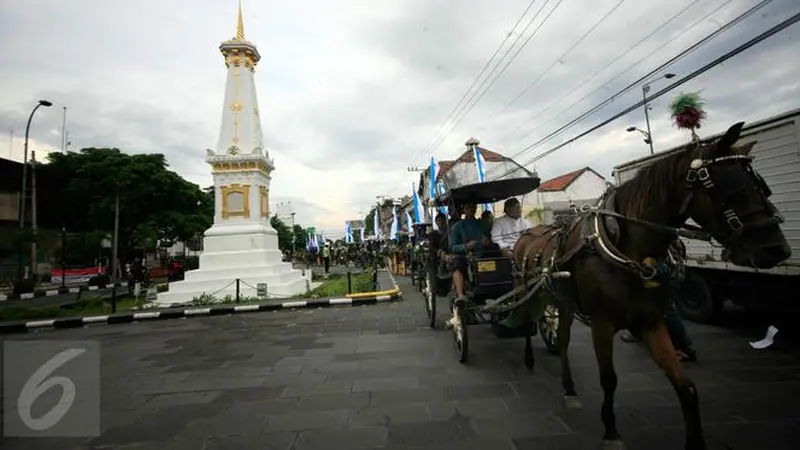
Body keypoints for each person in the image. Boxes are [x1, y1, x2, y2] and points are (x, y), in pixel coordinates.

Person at [620, 238, 698, 362]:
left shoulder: (662, 243)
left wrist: (650, 269)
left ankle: (687, 349)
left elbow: (667, 268)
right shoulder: (663, 239)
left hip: (669, 280)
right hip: (667, 278)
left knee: (669, 314)